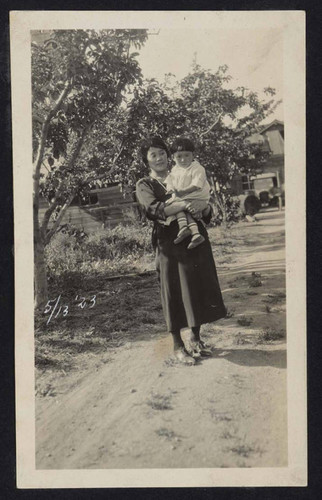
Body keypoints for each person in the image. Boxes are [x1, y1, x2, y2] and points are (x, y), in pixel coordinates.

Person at [135, 136, 226, 365]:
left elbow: (207, 210)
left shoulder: (185, 172)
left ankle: (196, 337)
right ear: (147, 160)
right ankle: (178, 345)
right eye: (153, 155)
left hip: (196, 236)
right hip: (169, 241)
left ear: (169, 155)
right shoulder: (146, 184)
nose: (159, 158)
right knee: (173, 289)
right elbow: (154, 209)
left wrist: (204, 207)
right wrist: (182, 204)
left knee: (198, 284)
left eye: (162, 153)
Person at [165, 137, 210, 249]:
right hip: (185, 198)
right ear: (173, 158)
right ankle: (192, 232)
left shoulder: (197, 168)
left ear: (193, 155)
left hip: (196, 196)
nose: (183, 160)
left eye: (187, 155)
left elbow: (196, 185)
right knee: (178, 208)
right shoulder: (175, 169)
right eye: (179, 156)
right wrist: (171, 188)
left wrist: (181, 192)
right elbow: (170, 180)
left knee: (180, 205)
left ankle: (187, 228)